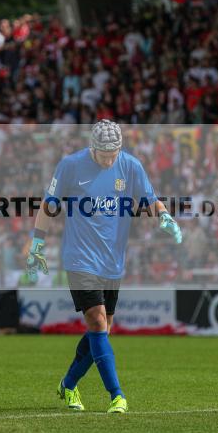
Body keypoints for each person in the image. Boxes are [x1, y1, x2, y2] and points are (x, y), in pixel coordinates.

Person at [26, 120, 182, 414]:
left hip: (112, 262)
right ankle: (117, 395)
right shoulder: (70, 166)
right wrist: (37, 245)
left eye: (114, 154)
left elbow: (150, 199)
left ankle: (68, 384)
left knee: (103, 329)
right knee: (97, 322)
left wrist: (165, 217)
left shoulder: (131, 166)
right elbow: (49, 206)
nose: (109, 160)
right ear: (92, 148)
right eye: (104, 155)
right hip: (79, 258)